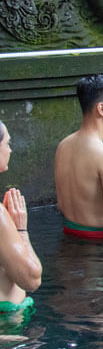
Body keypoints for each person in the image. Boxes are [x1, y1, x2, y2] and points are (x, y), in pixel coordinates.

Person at [54, 74, 103, 239]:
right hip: (102, 246)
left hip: (69, 238)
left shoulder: (63, 145)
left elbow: (61, 206)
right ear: (102, 109)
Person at [0, 120, 43, 322]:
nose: (10, 149)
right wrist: (20, 230)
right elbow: (31, 279)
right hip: (7, 329)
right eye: (7, 143)